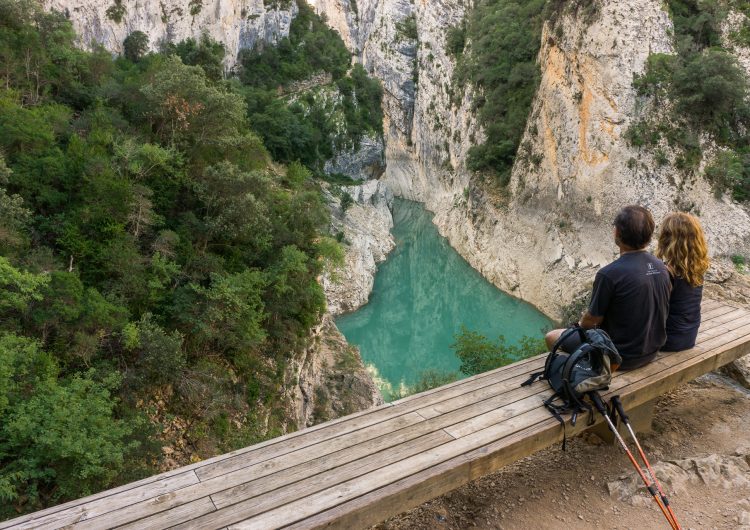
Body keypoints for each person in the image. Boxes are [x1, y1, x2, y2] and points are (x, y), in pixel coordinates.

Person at [545, 205, 672, 370]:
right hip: (651, 351)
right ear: (649, 236)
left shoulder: (609, 274)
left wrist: (577, 326)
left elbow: (591, 321)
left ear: (617, 233)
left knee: (552, 336)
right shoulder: (662, 267)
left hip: (618, 357)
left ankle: (585, 371)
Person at [656, 212, 710, 351]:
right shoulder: (696, 266)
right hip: (689, 335)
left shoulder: (667, 272)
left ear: (668, 239)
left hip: (667, 340)